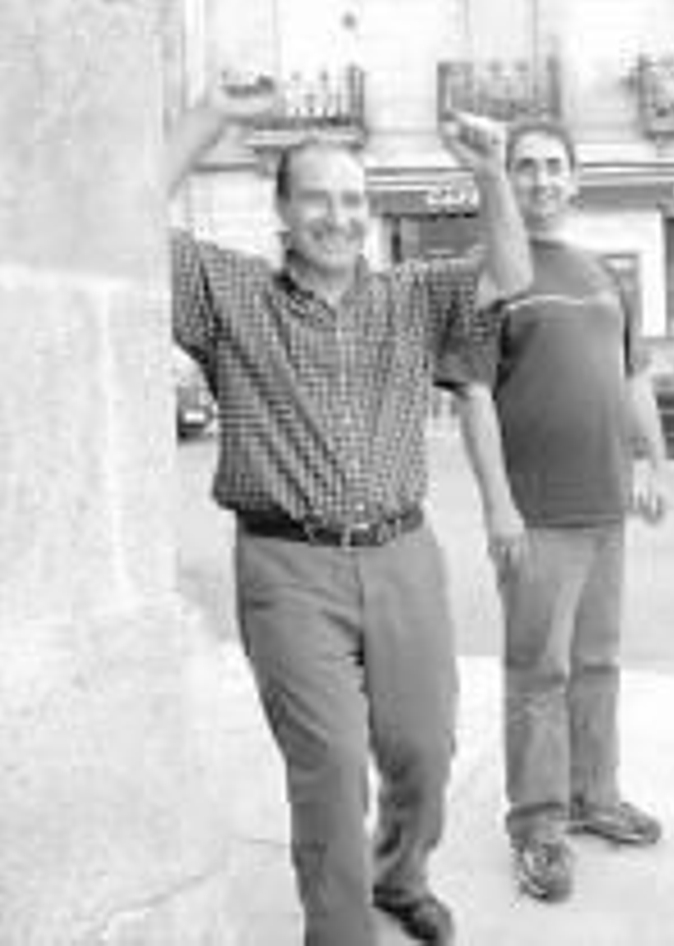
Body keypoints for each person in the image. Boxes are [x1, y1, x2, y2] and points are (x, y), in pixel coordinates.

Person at [164, 78, 532, 945]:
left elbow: (511, 272)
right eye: (318, 200)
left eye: (353, 201)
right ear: (283, 213)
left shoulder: (412, 296)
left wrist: (491, 174)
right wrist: (209, 119)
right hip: (287, 568)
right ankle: (338, 932)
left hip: (403, 556)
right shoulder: (231, 296)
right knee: (328, 772)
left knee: (424, 753)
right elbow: (123, 225)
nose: (338, 216)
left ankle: (400, 877)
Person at [443, 117, 670, 905]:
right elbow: (473, 394)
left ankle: (594, 797)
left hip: (606, 508)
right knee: (539, 673)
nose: (540, 180)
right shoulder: (489, 274)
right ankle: (538, 825)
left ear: (576, 180)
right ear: (510, 180)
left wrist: (656, 463)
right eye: (525, 167)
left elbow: (634, 375)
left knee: (598, 666)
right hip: (535, 516)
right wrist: (498, 505)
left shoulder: (605, 273)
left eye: (553, 167)